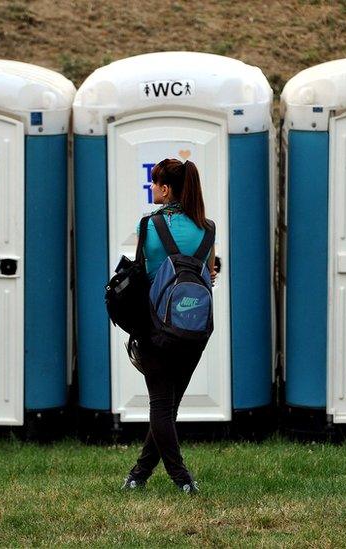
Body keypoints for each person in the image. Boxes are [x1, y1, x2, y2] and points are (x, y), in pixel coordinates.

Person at [122, 157, 217, 495]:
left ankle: (182, 479)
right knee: (168, 405)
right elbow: (210, 273)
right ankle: (138, 475)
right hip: (195, 330)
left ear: (165, 188)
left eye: (155, 183)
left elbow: (143, 272)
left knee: (161, 406)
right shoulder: (208, 228)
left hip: (157, 329)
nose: (152, 189)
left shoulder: (149, 225)